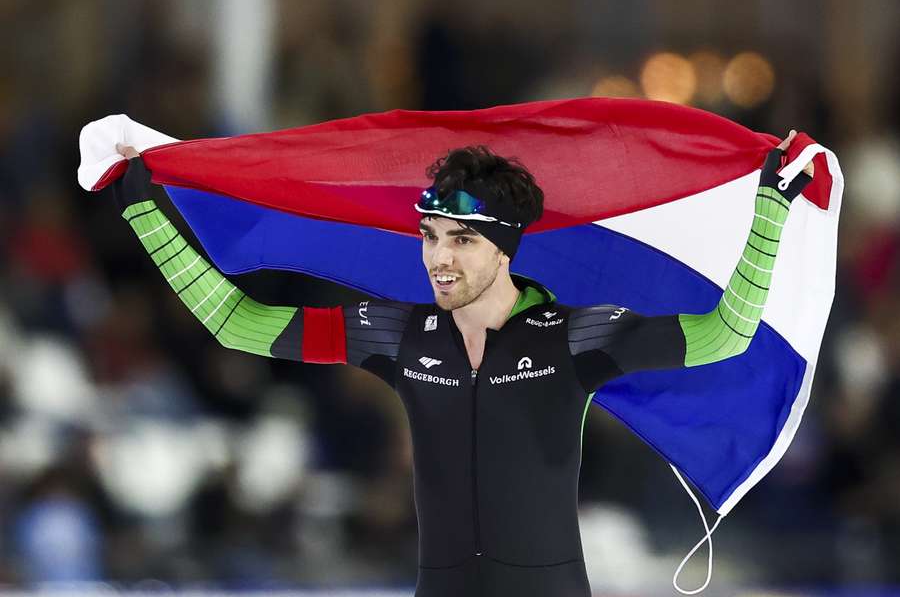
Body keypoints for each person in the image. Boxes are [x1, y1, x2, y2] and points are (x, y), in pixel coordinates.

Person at [111, 131, 813, 597]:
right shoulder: (395, 332)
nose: (439, 259)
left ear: (505, 251)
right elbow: (239, 324)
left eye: (462, 242)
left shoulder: (575, 337)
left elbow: (726, 334)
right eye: (430, 236)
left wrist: (770, 212)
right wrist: (145, 209)